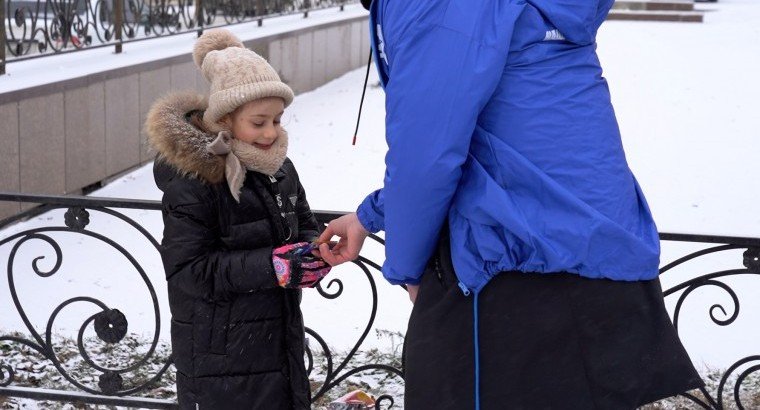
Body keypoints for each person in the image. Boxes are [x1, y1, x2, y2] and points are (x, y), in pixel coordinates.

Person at [318, 0, 704, 408]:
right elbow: (505, 135)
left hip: (514, 278)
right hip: (591, 256)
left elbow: (428, 156)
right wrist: (371, 214)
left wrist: (408, 267)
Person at [146, 29, 330, 409]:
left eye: (277, 120)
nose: (272, 132)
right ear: (225, 121)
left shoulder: (279, 167)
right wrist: (272, 267)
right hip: (220, 355)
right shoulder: (195, 180)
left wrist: (315, 252)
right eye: (259, 122)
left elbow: (303, 219)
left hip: (277, 341)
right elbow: (188, 272)